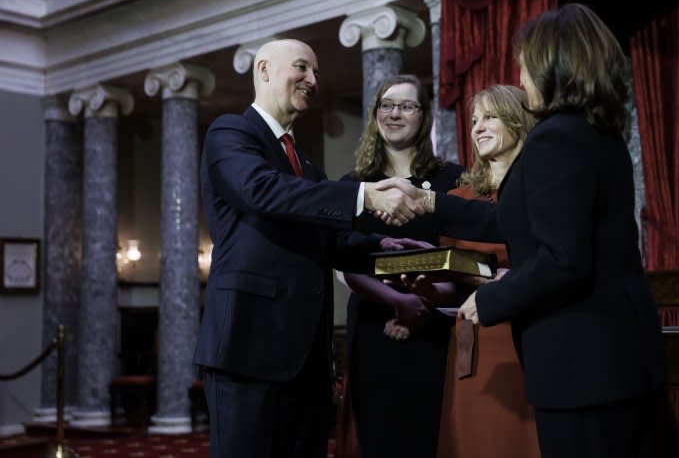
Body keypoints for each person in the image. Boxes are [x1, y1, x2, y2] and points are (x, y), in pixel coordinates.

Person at [395, 4, 666, 458]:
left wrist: (490, 299)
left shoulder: (555, 138)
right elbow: (511, 220)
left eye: (523, 66)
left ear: (551, 67)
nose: (520, 79)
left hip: (582, 362)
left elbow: (564, 261)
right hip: (618, 355)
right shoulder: (598, 132)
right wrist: (429, 202)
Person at [194, 39, 427, 458]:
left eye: (316, 72)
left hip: (307, 361)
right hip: (247, 350)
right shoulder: (230, 133)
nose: (313, 80)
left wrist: (390, 247)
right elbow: (260, 191)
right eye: (302, 68)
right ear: (263, 69)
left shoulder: (307, 165)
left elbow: (333, 244)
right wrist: (364, 196)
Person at [338, 74, 463, 458]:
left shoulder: (451, 179)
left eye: (407, 106)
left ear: (423, 117)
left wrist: (419, 308)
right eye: (386, 105)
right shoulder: (352, 185)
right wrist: (395, 303)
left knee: (430, 437)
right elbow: (341, 263)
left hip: (434, 326)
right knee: (380, 437)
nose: (395, 114)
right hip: (374, 327)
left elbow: (462, 258)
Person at [432, 84, 541, 458]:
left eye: (490, 117)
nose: (478, 127)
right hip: (474, 337)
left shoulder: (541, 191)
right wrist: (419, 288)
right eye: (474, 120)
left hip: (528, 332)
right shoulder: (460, 201)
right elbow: (447, 279)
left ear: (519, 120)